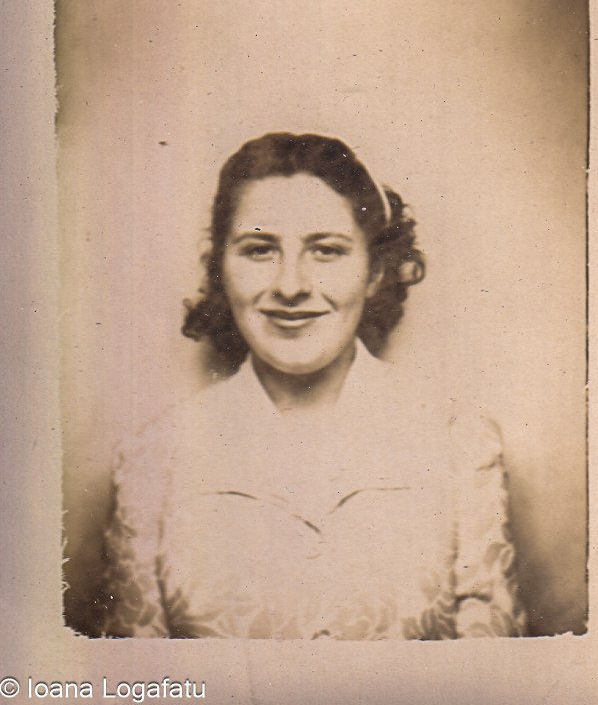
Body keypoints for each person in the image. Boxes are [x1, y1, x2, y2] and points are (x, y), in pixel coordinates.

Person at [103, 132, 527, 640]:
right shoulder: (154, 457)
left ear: (375, 272)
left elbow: (492, 670)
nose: (290, 286)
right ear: (221, 268)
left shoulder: (461, 439)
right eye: (259, 250)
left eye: (326, 251)